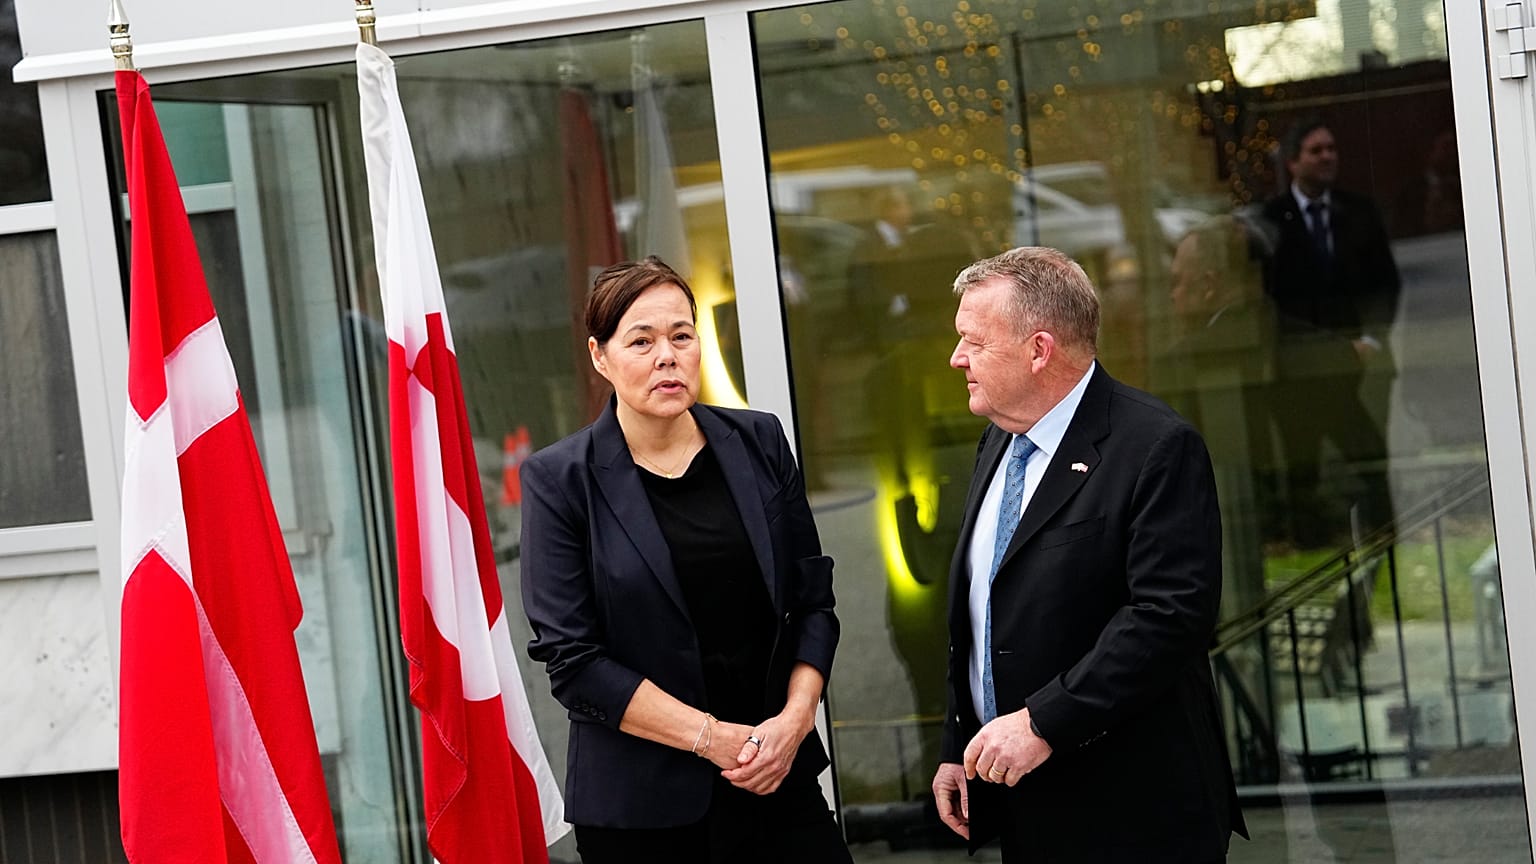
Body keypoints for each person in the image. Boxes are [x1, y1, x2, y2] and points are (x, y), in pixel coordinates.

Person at [519, 256, 851, 864]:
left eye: (681, 335)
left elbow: (812, 603)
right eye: (641, 341)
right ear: (601, 357)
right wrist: (711, 739)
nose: (666, 356)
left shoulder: (759, 442)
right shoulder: (559, 480)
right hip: (643, 816)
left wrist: (796, 721)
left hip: (776, 778)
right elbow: (573, 662)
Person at [930, 246, 1245, 862]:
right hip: (1023, 800)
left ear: (1039, 350)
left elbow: (1167, 618)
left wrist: (1042, 722)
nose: (956, 358)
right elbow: (982, 606)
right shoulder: (998, 439)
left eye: (974, 341)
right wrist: (957, 743)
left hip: (1133, 810)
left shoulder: (1155, 446)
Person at [1262, 119, 1398, 544]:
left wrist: (1373, 339)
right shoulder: (1271, 220)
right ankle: (1312, 544)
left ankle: (1385, 540)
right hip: (1299, 373)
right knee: (1304, 470)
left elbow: (1386, 284)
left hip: (1360, 366)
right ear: (1293, 161)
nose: (1327, 157)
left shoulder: (1358, 212)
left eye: (1332, 148)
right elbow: (1268, 302)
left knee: (1370, 458)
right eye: (1316, 150)